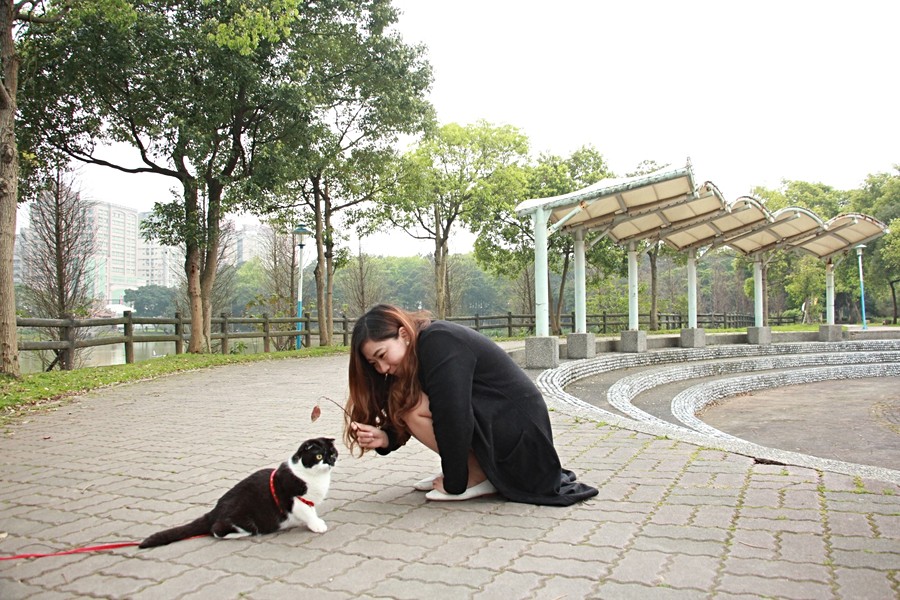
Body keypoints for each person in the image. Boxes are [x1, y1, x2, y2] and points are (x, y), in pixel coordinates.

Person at [344, 303, 598, 506]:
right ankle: (474, 471)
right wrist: (386, 438)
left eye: (382, 355)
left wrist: (455, 483)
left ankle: (476, 476)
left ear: (403, 334)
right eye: (374, 364)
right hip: (502, 428)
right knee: (409, 402)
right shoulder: (420, 349)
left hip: (520, 438)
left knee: (413, 407)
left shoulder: (438, 341)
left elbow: (452, 414)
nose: (382, 368)